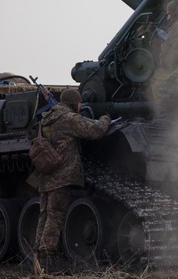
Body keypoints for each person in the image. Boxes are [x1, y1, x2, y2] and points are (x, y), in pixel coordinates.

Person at [33, 88, 111, 272]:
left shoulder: (46, 117)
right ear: (73, 104)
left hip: (46, 175)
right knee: (56, 217)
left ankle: (36, 258)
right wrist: (106, 118)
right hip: (62, 176)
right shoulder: (68, 119)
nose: (81, 106)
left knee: (44, 216)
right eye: (79, 103)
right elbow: (96, 130)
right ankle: (47, 261)